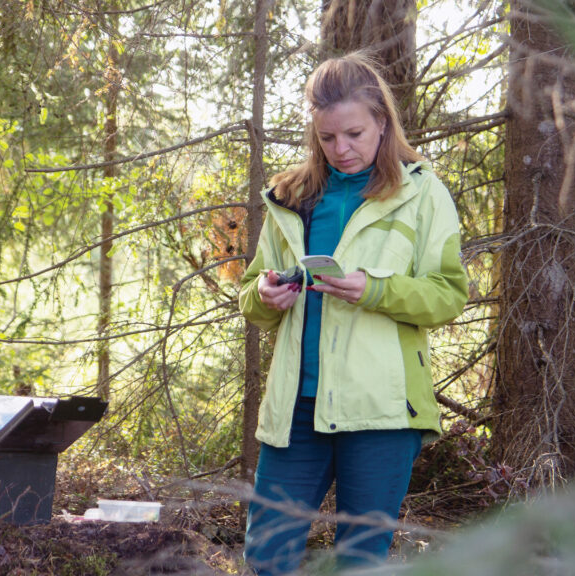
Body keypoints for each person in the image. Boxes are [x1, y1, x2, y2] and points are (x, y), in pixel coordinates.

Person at [238, 53, 469, 574]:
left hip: (382, 411)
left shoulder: (422, 192)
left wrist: (375, 290)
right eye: (327, 138)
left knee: (358, 562)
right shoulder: (292, 196)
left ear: (383, 122)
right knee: (266, 556)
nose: (341, 149)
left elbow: (449, 294)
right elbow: (254, 288)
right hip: (297, 407)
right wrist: (265, 295)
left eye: (354, 134)